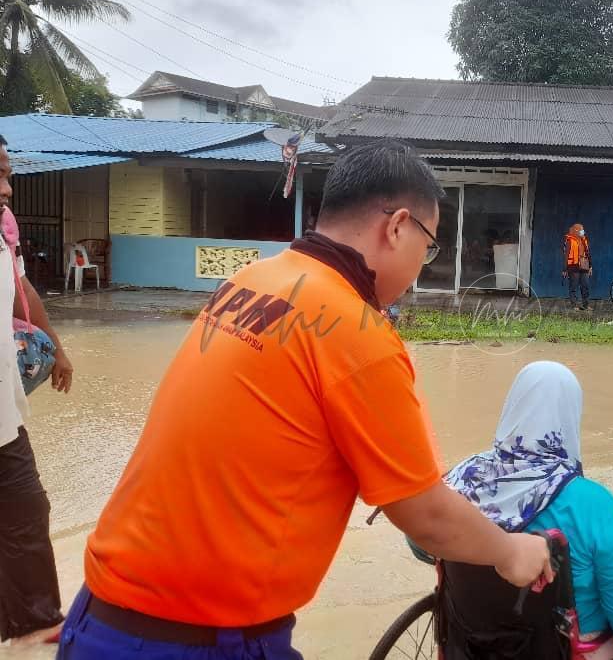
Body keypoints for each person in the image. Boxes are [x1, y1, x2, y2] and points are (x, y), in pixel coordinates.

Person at [57, 139, 552, 659]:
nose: (420, 265)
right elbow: (424, 513)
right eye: (428, 245)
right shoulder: (358, 331)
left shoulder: (252, 278)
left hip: (97, 618)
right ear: (398, 226)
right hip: (200, 640)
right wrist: (509, 551)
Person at [446, 361, 613, 659]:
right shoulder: (591, 503)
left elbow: (423, 544)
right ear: (570, 418)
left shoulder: (460, 479)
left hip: (468, 640)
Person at [0, 137, 74, 646]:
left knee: (27, 512)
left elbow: (21, 290)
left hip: (5, 415)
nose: (6, 188)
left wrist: (57, 348)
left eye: (7, 173)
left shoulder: (4, 233)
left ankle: (37, 622)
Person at [563, 223, 592, 311]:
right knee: (573, 286)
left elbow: (588, 254)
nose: (582, 231)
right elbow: (566, 255)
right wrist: (564, 269)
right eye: (580, 230)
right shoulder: (569, 240)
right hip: (573, 266)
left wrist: (590, 266)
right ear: (576, 230)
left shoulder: (584, 240)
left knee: (585, 286)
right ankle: (574, 305)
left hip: (584, 266)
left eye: (582, 230)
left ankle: (586, 305)